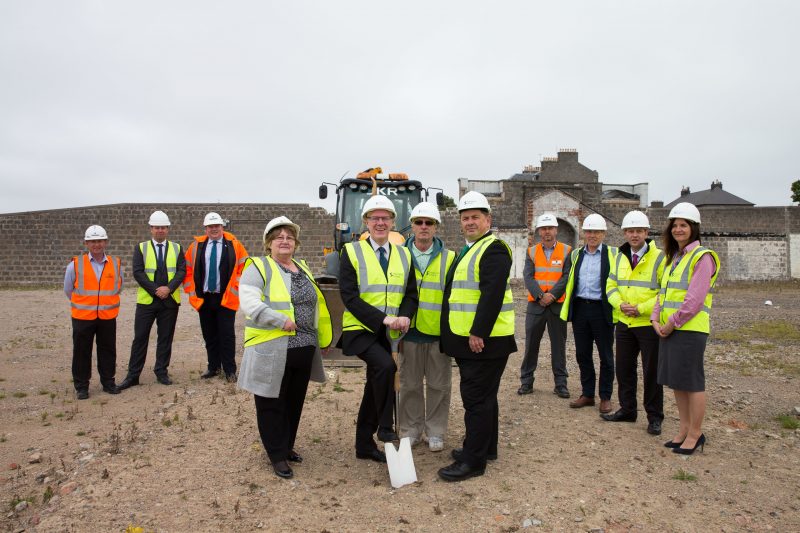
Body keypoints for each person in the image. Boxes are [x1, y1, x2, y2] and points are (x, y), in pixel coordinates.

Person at [238, 216, 332, 479]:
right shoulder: (257, 267)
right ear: (269, 243)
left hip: (303, 348)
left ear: (296, 243)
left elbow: (316, 307)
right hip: (271, 347)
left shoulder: (301, 268)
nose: (284, 240)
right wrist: (279, 319)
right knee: (271, 402)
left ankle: (287, 445)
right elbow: (249, 302)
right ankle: (276, 455)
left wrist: (322, 339)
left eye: (289, 237)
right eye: (278, 236)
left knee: (293, 401)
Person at [438, 191, 516, 482]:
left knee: (475, 400)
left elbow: (492, 294)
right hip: (476, 339)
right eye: (465, 218)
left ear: (488, 220)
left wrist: (478, 331)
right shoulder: (471, 248)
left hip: (484, 340)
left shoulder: (493, 249)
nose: (470, 222)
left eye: (475, 217)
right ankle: (486, 449)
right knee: (485, 398)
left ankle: (473, 461)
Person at [339, 195, 418, 464]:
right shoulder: (350, 252)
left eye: (385, 218)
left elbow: (411, 294)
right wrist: (384, 319)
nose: (380, 223)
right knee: (386, 367)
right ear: (366, 222)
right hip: (360, 329)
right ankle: (385, 426)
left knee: (375, 383)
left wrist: (405, 315)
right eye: (375, 218)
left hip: (390, 333)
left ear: (394, 222)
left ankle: (363, 444)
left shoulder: (404, 254)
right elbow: (349, 297)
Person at [652, 202, 718, 455]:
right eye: (675, 225)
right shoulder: (674, 258)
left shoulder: (703, 257)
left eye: (684, 225)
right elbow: (663, 293)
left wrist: (671, 323)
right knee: (677, 382)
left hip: (690, 329)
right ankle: (683, 430)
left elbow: (694, 299)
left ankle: (695, 433)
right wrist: (656, 320)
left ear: (694, 228)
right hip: (671, 329)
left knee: (692, 382)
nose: (679, 229)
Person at [603, 211, 666, 435]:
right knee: (624, 369)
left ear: (647, 233)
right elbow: (610, 286)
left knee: (651, 372)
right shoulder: (619, 256)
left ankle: (654, 416)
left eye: (639, 231)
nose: (634, 235)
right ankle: (628, 409)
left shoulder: (659, 257)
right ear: (624, 233)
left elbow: (663, 292)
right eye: (630, 231)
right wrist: (619, 305)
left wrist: (640, 308)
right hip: (624, 322)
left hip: (648, 323)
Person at [399, 202, 454, 452]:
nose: (423, 227)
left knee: (439, 386)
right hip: (406, 332)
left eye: (428, 223)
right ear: (411, 225)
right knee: (409, 385)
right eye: (419, 222)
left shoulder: (450, 258)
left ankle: (436, 431)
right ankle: (410, 429)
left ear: (436, 227)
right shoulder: (398, 255)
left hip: (437, 334)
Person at [118, 211, 186, 390]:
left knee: (165, 338)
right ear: (151, 229)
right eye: (157, 227)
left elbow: (181, 271)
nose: (160, 230)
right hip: (147, 301)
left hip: (169, 301)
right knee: (140, 338)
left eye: (163, 227)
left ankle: (161, 371)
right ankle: (133, 375)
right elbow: (138, 272)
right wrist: (156, 290)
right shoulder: (141, 248)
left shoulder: (177, 248)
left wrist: (168, 288)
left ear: (168, 229)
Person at [560, 214, 617, 414]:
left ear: (604, 234)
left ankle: (605, 397)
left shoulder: (613, 254)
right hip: (581, 309)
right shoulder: (576, 255)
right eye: (589, 232)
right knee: (582, 354)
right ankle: (587, 394)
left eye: (597, 232)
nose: (592, 235)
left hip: (602, 309)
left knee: (606, 355)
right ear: (584, 233)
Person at [184, 212, 248, 382]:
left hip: (226, 298)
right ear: (205, 228)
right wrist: (192, 292)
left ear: (222, 227)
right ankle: (213, 367)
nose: (214, 229)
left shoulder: (234, 245)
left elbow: (244, 267)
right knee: (209, 335)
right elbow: (188, 269)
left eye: (217, 226)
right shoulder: (196, 246)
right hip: (204, 298)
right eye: (210, 226)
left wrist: (235, 287)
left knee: (226, 335)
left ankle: (229, 370)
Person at [63, 225, 123, 399]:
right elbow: (68, 290)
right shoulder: (75, 265)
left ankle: (108, 382)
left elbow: (118, 287)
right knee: (82, 351)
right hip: (83, 317)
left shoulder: (115, 263)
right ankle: (82, 387)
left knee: (108, 350)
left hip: (107, 316)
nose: (97, 244)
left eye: (100, 241)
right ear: (86, 243)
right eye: (92, 241)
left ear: (105, 242)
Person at [518, 213, 572, 399]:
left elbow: (567, 276)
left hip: (556, 305)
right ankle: (526, 382)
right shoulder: (531, 252)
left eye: (550, 228)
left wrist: (552, 295)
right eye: (543, 228)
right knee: (531, 345)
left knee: (559, 346)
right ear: (539, 231)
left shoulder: (567, 251)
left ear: (556, 230)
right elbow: (528, 276)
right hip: (536, 305)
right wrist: (541, 295)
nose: (547, 231)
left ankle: (561, 384)